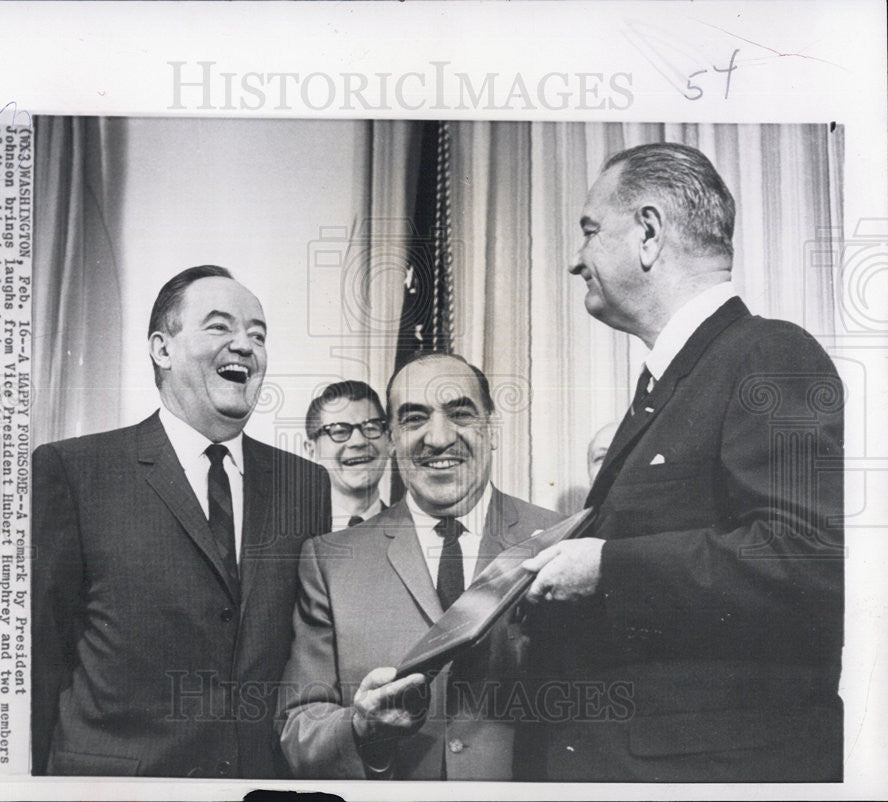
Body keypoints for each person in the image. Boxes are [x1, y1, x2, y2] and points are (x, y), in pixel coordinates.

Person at [516, 143, 844, 781]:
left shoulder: (770, 354)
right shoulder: (669, 386)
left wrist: (607, 566)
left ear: (647, 231)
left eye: (589, 231)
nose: (574, 259)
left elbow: (802, 557)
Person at [31, 265, 332, 778]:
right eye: (219, 326)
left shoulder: (305, 485)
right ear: (162, 349)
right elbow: (42, 656)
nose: (245, 345)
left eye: (257, 335)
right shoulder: (74, 470)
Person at [278, 352, 565, 780]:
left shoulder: (558, 540)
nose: (438, 437)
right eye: (414, 419)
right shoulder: (329, 560)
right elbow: (298, 728)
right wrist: (361, 728)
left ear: (491, 428)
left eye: (459, 413)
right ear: (391, 437)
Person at [304, 380, 389, 529]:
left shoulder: (417, 534)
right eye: (339, 431)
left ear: (389, 440)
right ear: (312, 450)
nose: (359, 441)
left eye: (370, 428)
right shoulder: (288, 536)